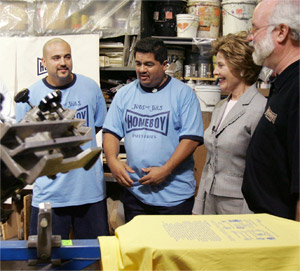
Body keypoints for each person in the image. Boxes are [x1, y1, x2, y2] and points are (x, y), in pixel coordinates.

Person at [16, 38, 109, 238]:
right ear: (44, 62)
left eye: (67, 56)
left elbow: (98, 126)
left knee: (92, 259)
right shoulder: (30, 96)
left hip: (89, 191)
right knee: (46, 260)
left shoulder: (91, 88)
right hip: (49, 195)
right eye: (56, 58)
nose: (63, 62)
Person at [103, 37, 204, 223]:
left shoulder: (183, 94)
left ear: (164, 64)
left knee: (173, 252)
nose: (142, 70)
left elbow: (191, 139)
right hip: (136, 194)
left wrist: (166, 170)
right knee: (140, 251)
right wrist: (112, 161)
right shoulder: (124, 94)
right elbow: (111, 132)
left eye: (149, 64)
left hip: (175, 197)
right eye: (139, 63)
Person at [192, 31, 267, 215]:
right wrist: (199, 205)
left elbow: (261, 172)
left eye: (220, 66)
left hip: (239, 207)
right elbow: (210, 163)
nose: (215, 72)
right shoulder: (220, 106)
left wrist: (250, 216)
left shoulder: (259, 109)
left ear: (240, 67)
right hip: (210, 201)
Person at [242, 0, 300, 221]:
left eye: (255, 28)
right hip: (270, 224)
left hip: (287, 235)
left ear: (281, 32)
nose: (250, 37)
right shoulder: (283, 81)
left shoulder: (297, 87)